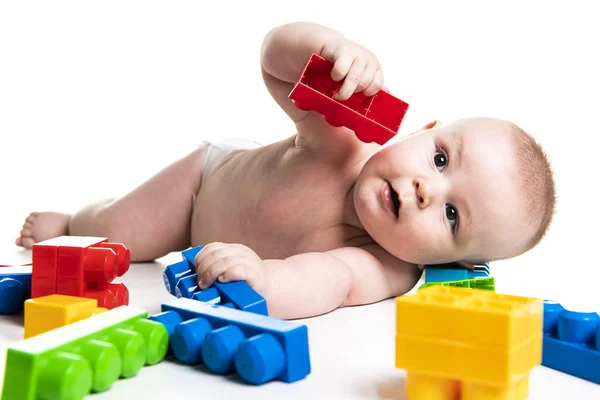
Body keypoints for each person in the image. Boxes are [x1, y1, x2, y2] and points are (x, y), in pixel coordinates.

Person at [15, 21, 556, 319]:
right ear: (421, 129)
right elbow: (274, 63)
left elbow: (324, 283)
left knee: (130, 245)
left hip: (221, 249)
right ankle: (72, 220)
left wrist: (264, 279)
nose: (424, 190)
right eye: (439, 159)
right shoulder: (344, 141)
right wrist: (329, 51)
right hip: (207, 183)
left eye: (452, 215)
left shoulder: (384, 266)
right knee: (120, 232)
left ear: (451, 263)